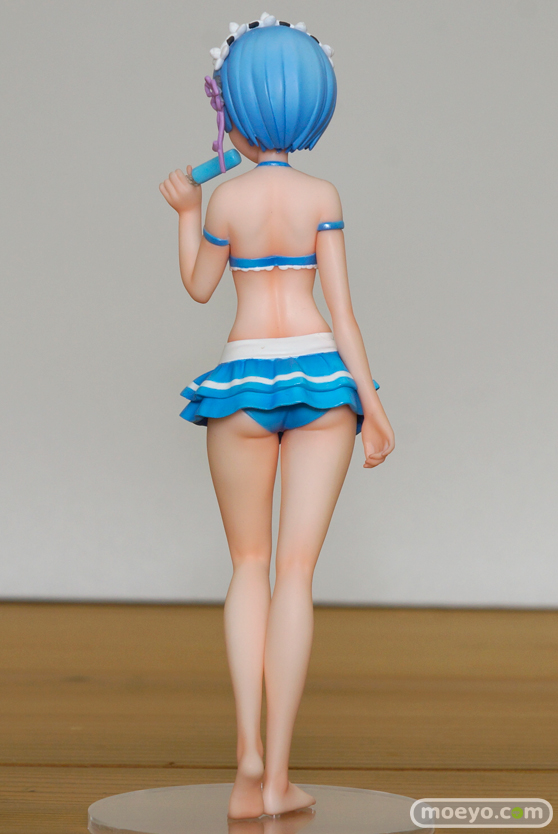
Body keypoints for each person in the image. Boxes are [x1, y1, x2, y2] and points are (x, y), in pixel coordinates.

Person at [159, 13, 395, 820]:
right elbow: (344, 313)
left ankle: (245, 762)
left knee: (247, 567)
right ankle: (279, 776)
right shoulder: (321, 196)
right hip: (322, 378)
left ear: (234, 107)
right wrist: (373, 404)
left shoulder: (226, 198)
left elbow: (199, 287)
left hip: (240, 380)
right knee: (295, 573)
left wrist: (187, 210)